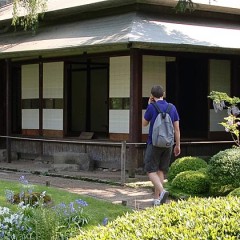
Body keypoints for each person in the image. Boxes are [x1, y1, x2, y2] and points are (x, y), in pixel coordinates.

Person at [142, 85, 181, 206]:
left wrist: (149, 105)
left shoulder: (151, 107)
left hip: (154, 143)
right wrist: (177, 145)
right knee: (160, 170)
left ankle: (162, 192)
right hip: (168, 144)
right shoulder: (172, 107)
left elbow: (144, 124)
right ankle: (157, 199)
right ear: (163, 94)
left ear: (152, 96)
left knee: (150, 170)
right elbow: (177, 129)